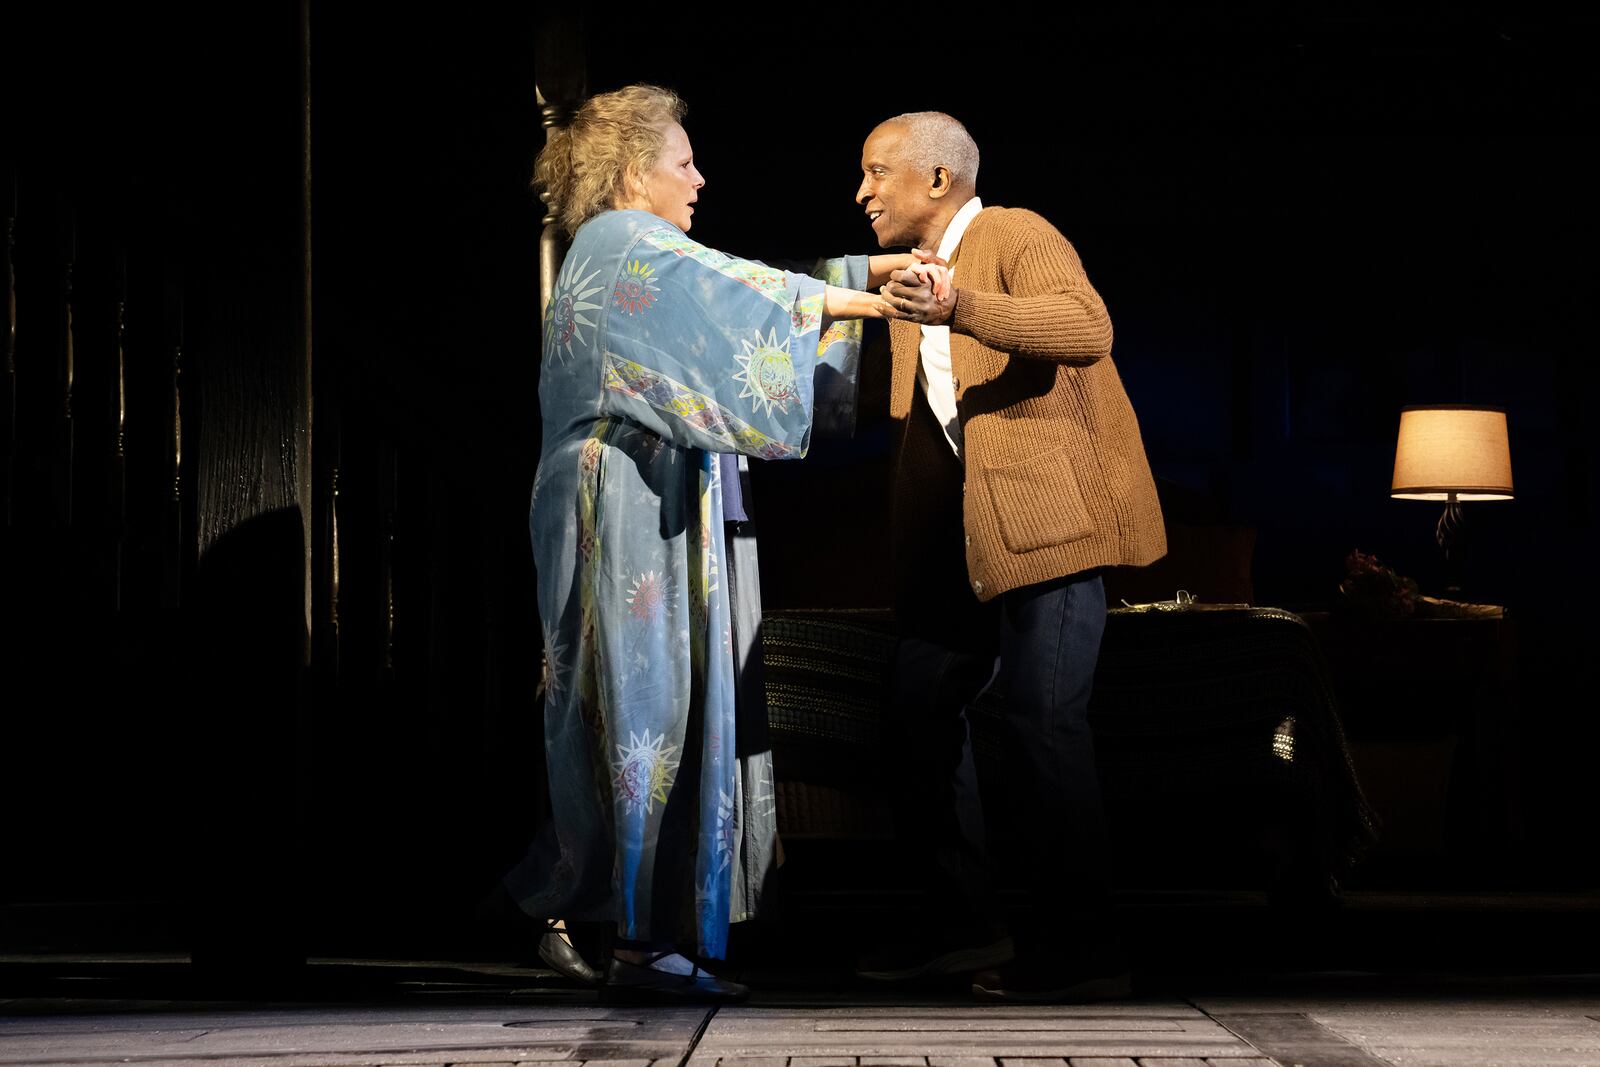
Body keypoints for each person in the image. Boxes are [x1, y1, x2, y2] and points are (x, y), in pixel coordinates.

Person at [501, 84, 910, 1002]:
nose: (698, 178)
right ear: (630, 173)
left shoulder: (616, 251)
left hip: (623, 485)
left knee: (629, 697)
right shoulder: (624, 242)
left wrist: (856, 280)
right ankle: (635, 933)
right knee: (645, 699)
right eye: (681, 161)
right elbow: (733, 293)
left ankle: (594, 909)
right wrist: (866, 304)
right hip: (624, 499)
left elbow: (724, 288)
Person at [853, 111, 1166, 1001]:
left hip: (1052, 521)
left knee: (1040, 718)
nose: (863, 192)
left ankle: (1088, 947)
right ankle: (964, 928)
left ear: (938, 180)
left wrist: (964, 306)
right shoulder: (912, 282)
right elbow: (922, 419)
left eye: (878, 172)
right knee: (915, 709)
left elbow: (1086, 326)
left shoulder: (1013, 233)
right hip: (964, 539)